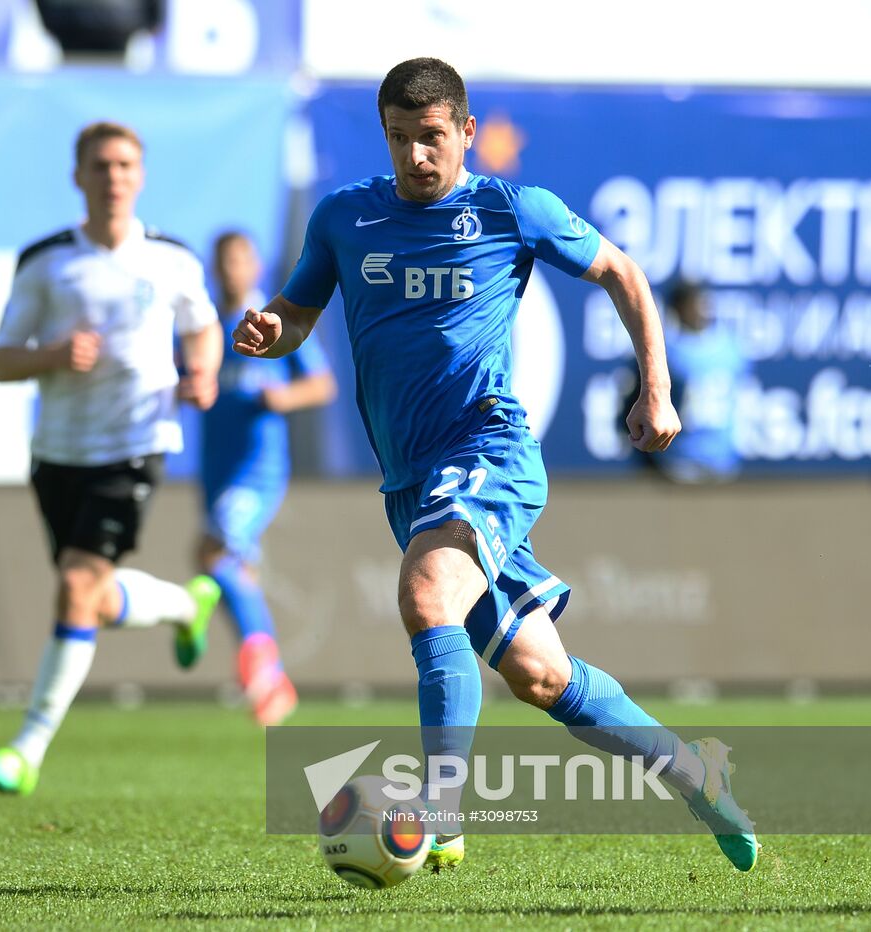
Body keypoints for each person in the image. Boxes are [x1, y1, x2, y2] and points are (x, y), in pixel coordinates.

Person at [233, 58, 757, 872]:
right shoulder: (344, 218)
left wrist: (657, 389)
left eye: (432, 138)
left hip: (487, 452)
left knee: (425, 592)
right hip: (412, 482)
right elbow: (298, 312)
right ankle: (695, 772)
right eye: (400, 139)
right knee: (538, 675)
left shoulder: (511, 209)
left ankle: (440, 811)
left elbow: (622, 270)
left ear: (467, 132)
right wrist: (274, 331)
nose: (415, 157)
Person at [0, 121, 223, 796]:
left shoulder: (171, 258)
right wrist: (53, 354)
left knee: (76, 588)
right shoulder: (47, 261)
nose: (114, 176)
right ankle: (182, 605)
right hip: (58, 453)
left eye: (125, 165)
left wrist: (202, 375)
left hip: (135, 445)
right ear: (78, 177)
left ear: (140, 176)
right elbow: (1, 359)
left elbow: (203, 328)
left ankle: (27, 748)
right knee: (92, 596)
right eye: (100, 166)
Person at [198, 230, 336, 726]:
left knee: (215, 554)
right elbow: (184, 378)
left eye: (240, 258)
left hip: (259, 470)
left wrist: (284, 398)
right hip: (216, 467)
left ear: (255, 266)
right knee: (225, 565)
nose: (232, 269)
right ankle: (275, 686)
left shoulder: (273, 321)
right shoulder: (206, 326)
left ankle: (260, 661)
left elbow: (322, 384)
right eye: (223, 260)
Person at [654, 281, 748, 483]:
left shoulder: (730, 348)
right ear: (677, 309)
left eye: (702, 303)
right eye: (693, 304)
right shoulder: (666, 350)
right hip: (679, 460)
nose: (699, 310)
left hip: (722, 459)